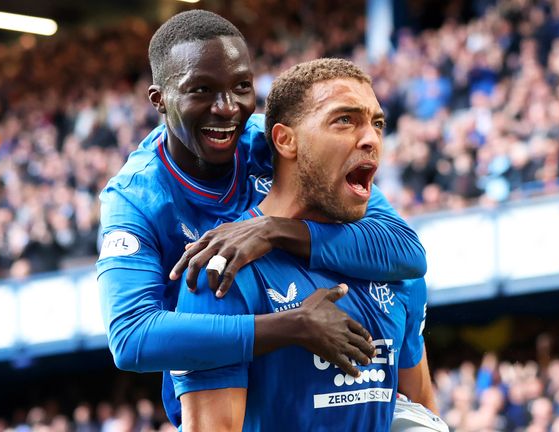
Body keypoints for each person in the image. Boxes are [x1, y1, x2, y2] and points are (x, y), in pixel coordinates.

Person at [96, 10, 428, 427]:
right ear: (159, 99)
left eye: (241, 87)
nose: (226, 108)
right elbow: (131, 337)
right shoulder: (136, 197)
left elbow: (406, 251)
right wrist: (292, 326)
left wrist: (274, 231)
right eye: (201, 90)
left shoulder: (272, 140)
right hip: (218, 385)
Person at [172, 58, 440, 432]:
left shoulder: (394, 268)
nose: (370, 138)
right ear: (285, 139)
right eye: (344, 120)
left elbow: (418, 410)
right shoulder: (223, 270)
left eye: (377, 123)